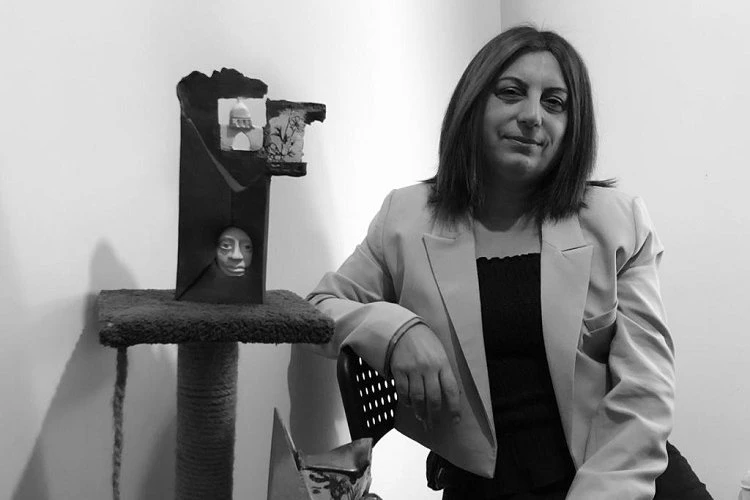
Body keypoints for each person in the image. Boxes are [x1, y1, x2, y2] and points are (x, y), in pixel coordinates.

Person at [307, 26, 711, 499]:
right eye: (512, 93)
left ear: (572, 127)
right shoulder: (406, 217)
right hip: (486, 484)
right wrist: (396, 331)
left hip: (618, 471)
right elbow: (319, 309)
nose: (533, 116)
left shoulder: (618, 223)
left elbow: (645, 394)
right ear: (473, 103)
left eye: (554, 103)